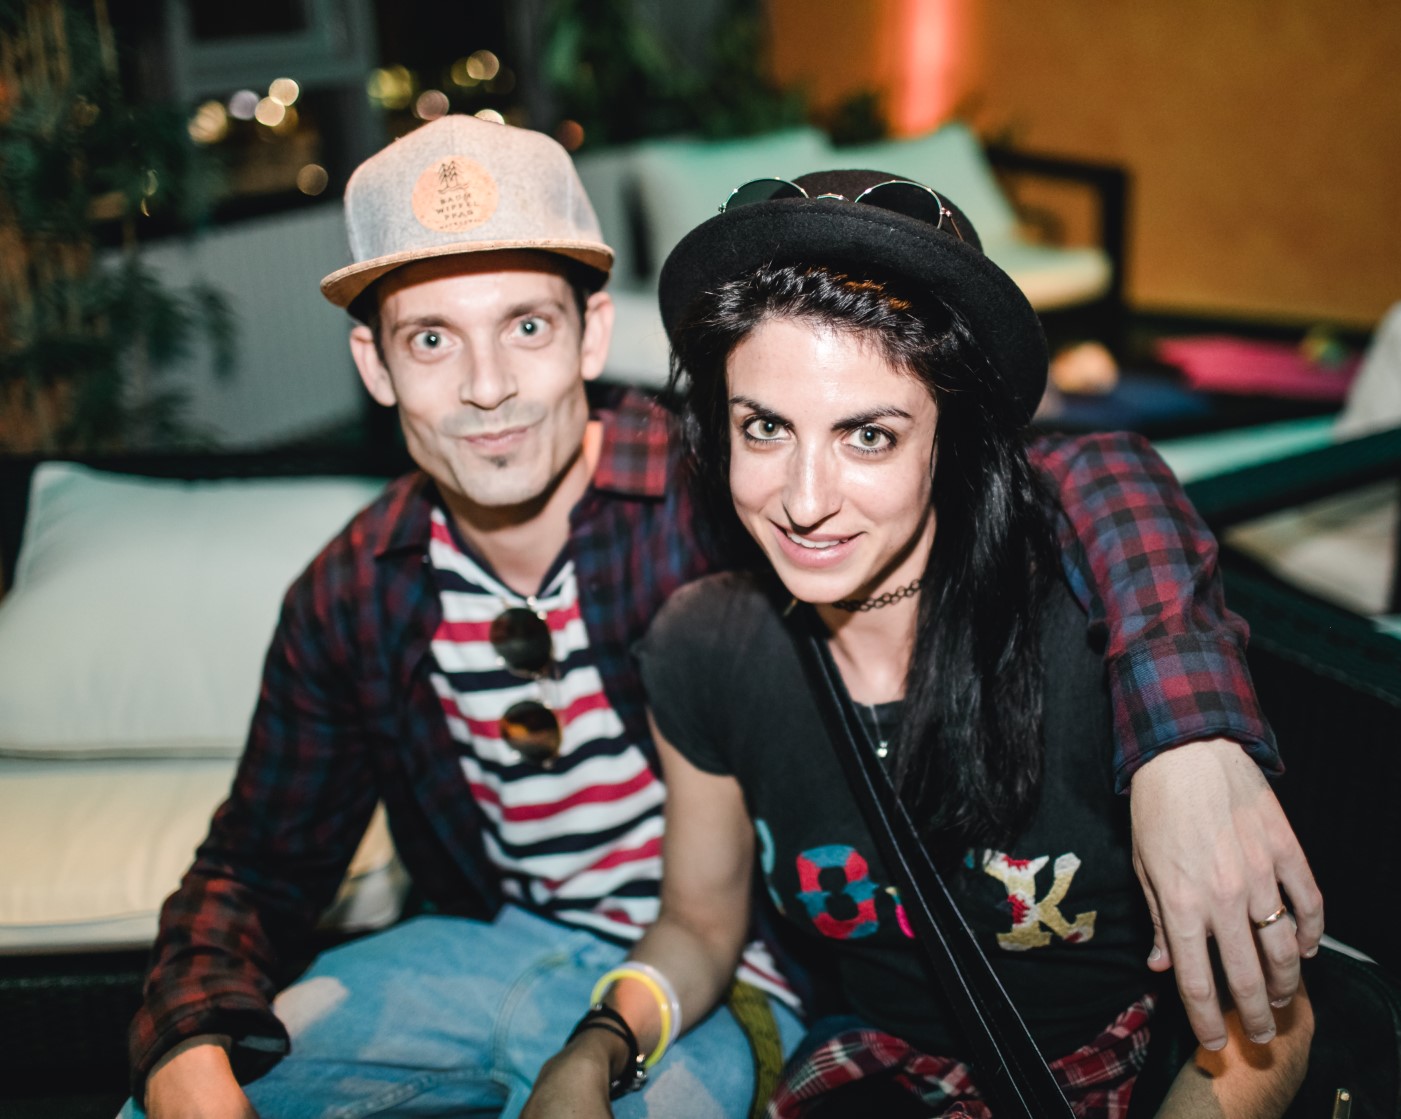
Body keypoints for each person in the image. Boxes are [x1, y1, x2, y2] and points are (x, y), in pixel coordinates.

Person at [128, 118, 1317, 1119]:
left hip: (744, 981)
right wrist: (186, 1039)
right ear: (374, 364)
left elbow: (1076, 474)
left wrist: (1188, 732)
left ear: (593, 334)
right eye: (431, 339)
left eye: (526, 326)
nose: (486, 388)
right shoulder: (361, 589)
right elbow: (258, 860)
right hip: (499, 944)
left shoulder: (701, 494)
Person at [524, 171, 1315, 1117]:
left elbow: (1271, 1024)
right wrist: (595, 1049)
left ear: (951, 438)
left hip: (1113, 1074)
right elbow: (698, 923)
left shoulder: (1095, 631)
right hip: (873, 1073)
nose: (804, 500)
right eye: (765, 427)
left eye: (868, 435)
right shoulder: (706, 647)